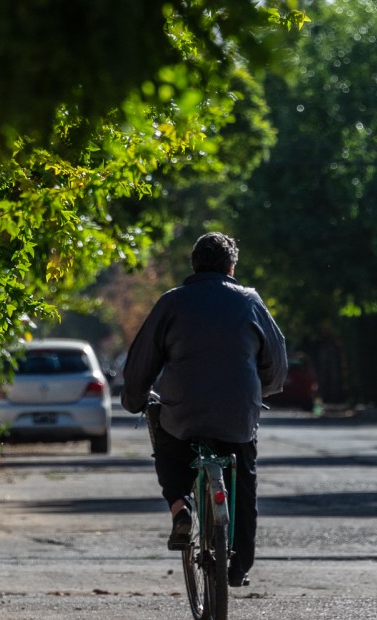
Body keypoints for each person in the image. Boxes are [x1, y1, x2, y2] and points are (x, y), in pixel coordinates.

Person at [121, 232, 287, 587]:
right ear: (231, 267)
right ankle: (240, 564)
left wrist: (135, 399)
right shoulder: (250, 301)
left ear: (194, 266)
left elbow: (142, 360)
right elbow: (277, 360)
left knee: (167, 444)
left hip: (183, 411)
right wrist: (262, 390)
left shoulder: (172, 302)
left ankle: (181, 507)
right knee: (243, 475)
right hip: (237, 413)